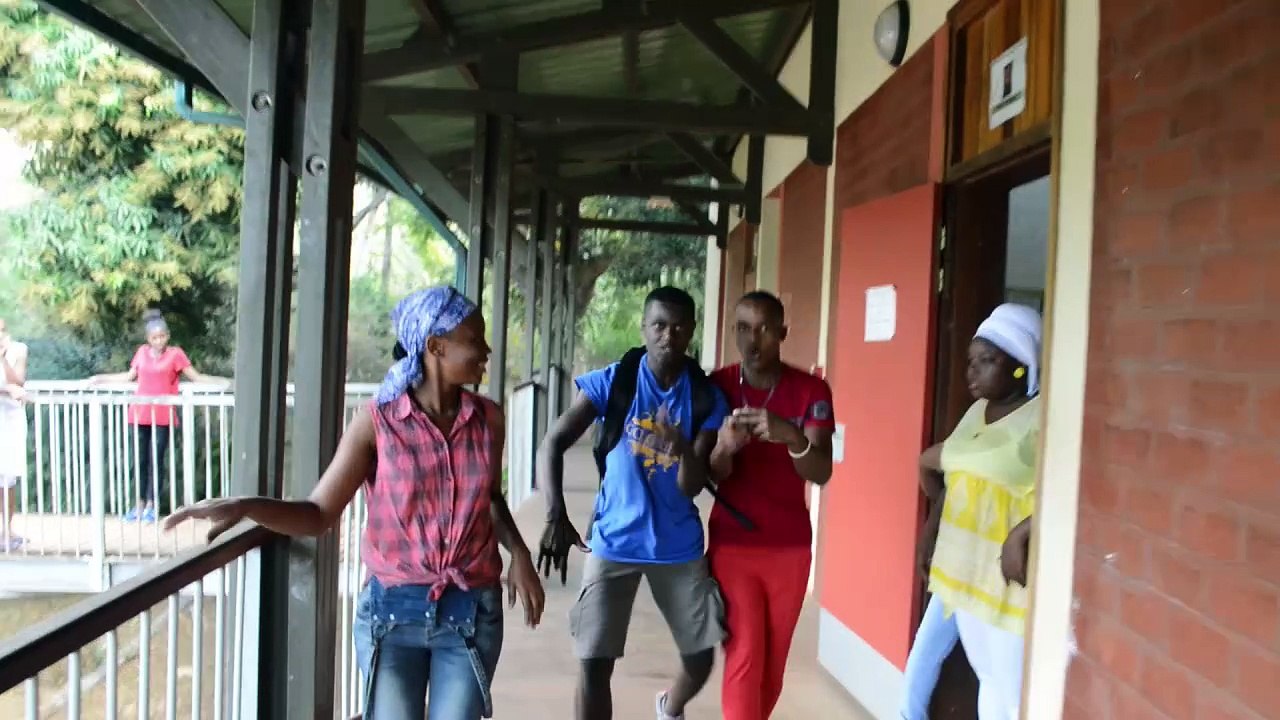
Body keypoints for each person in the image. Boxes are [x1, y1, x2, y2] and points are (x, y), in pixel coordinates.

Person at [164, 286, 545, 720]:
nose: (486, 350)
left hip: (470, 608)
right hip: (392, 612)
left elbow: (489, 497)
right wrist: (246, 506)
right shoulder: (378, 423)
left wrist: (519, 552)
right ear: (436, 347)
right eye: (474, 339)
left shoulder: (487, 418)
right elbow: (318, 513)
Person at [537, 286, 729, 720]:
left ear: (691, 332)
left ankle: (669, 706)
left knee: (700, 658)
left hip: (677, 545)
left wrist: (680, 445)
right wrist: (555, 515)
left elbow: (691, 486)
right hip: (614, 540)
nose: (668, 336)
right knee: (593, 662)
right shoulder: (614, 382)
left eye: (678, 327)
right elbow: (552, 442)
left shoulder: (703, 397)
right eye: (659, 325)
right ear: (643, 328)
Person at [905, 303, 1041, 720]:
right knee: (977, 678)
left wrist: (1022, 532)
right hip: (959, 566)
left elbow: (1065, 489)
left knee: (1011, 691)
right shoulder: (975, 413)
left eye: (988, 361)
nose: (973, 372)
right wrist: (932, 527)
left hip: (1002, 579)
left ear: (1022, 365)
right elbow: (950, 474)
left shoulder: (1042, 416)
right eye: (971, 362)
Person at [705, 291, 835, 720]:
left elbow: (819, 472)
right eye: (743, 328)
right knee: (744, 656)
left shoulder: (811, 391)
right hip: (733, 545)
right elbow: (708, 473)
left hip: (790, 547)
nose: (753, 339)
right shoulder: (717, 386)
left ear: (782, 333)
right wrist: (725, 447)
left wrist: (791, 436)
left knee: (772, 669)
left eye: (763, 329)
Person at [89, 309, 229, 522]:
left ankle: (152, 506)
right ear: (148, 339)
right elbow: (129, 377)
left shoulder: (175, 354)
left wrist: (222, 383)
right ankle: (139, 504)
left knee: (156, 460)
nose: (159, 341)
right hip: (139, 413)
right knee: (140, 460)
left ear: (167, 336)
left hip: (162, 415)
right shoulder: (142, 353)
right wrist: (101, 379)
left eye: (162, 336)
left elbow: (195, 377)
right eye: (154, 338)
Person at [0, 318, 29, 552]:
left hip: (10, 418)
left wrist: (2, 358)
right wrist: (7, 390)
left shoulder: (18, 349)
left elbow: (18, 380)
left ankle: (7, 529)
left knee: (9, 475)